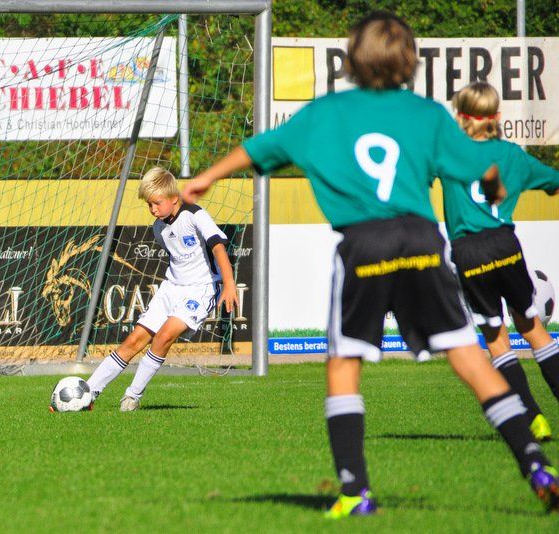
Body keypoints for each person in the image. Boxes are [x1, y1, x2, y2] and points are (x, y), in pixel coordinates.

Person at [182, 11, 559, 517]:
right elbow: (481, 166)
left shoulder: (326, 112)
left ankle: (355, 492)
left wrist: (206, 178)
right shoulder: (426, 114)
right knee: (470, 358)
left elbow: (259, 147)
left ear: (352, 58)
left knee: (344, 364)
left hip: (364, 244)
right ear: (410, 61)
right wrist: (493, 185)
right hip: (422, 240)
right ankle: (535, 464)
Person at [440, 81, 559, 442]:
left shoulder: (449, 154)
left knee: (496, 339)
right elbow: (553, 182)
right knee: (534, 329)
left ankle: (534, 418)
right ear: (497, 115)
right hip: (505, 245)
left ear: (461, 116)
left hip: (468, 252)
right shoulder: (513, 156)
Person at [86, 167, 238, 411]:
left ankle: (132, 396)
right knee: (133, 340)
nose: (153, 209)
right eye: (149, 204)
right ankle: (87, 393)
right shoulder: (158, 228)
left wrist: (229, 283)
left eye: (157, 203)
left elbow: (218, 246)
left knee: (164, 336)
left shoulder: (195, 215)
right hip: (170, 288)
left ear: (174, 198)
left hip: (200, 290)